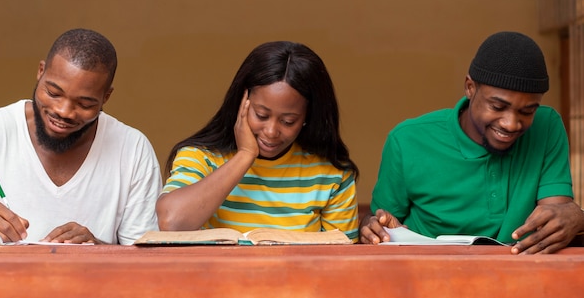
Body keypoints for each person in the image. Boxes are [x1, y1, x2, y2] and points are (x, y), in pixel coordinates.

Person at [360, 31, 584, 254]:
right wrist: (370, 227)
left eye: (527, 111)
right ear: (470, 87)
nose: (511, 124)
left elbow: (554, 219)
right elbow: (381, 225)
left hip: (522, 279)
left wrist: (577, 216)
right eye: (497, 107)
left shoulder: (547, 126)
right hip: (430, 279)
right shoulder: (407, 141)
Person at [0, 28, 162, 245]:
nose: (64, 111)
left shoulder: (132, 149)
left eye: (85, 104)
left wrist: (98, 248)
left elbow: (145, 261)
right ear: (41, 71)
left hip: (91, 280)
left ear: (106, 96)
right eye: (53, 93)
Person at [156, 41, 360, 242]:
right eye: (261, 115)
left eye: (288, 121)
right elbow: (171, 222)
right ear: (242, 102)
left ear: (308, 117)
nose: (271, 132)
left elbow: (346, 261)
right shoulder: (202, 157)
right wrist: (245, 155)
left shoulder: (332, 174)